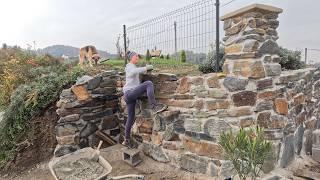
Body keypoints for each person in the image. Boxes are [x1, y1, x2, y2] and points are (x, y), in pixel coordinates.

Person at [122, 51, 167, 148]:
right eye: (135, 56)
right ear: (131, 57)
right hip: (130, 93)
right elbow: (133, 72)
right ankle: (154, 106)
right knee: (149, 83)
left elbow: (137, 72)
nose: (137, 57)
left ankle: (126, 140)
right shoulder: (129, 65)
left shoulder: (133, 67)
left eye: (137, 55)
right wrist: (146, 68)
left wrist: (147, 69)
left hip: (129, 95)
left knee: (130, 117)